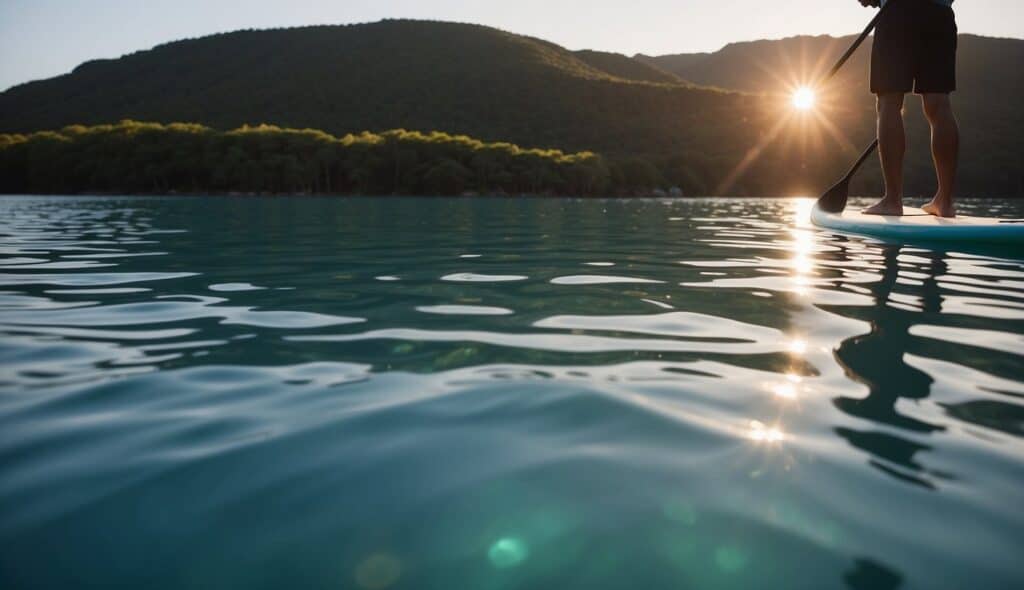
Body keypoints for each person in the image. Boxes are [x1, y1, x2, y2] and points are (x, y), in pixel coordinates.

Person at [860, 0, 960, 218]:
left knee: (889, 102)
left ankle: (893, 200)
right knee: (939, 103)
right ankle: (945, 201)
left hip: (898, 12)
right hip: (939, 13)